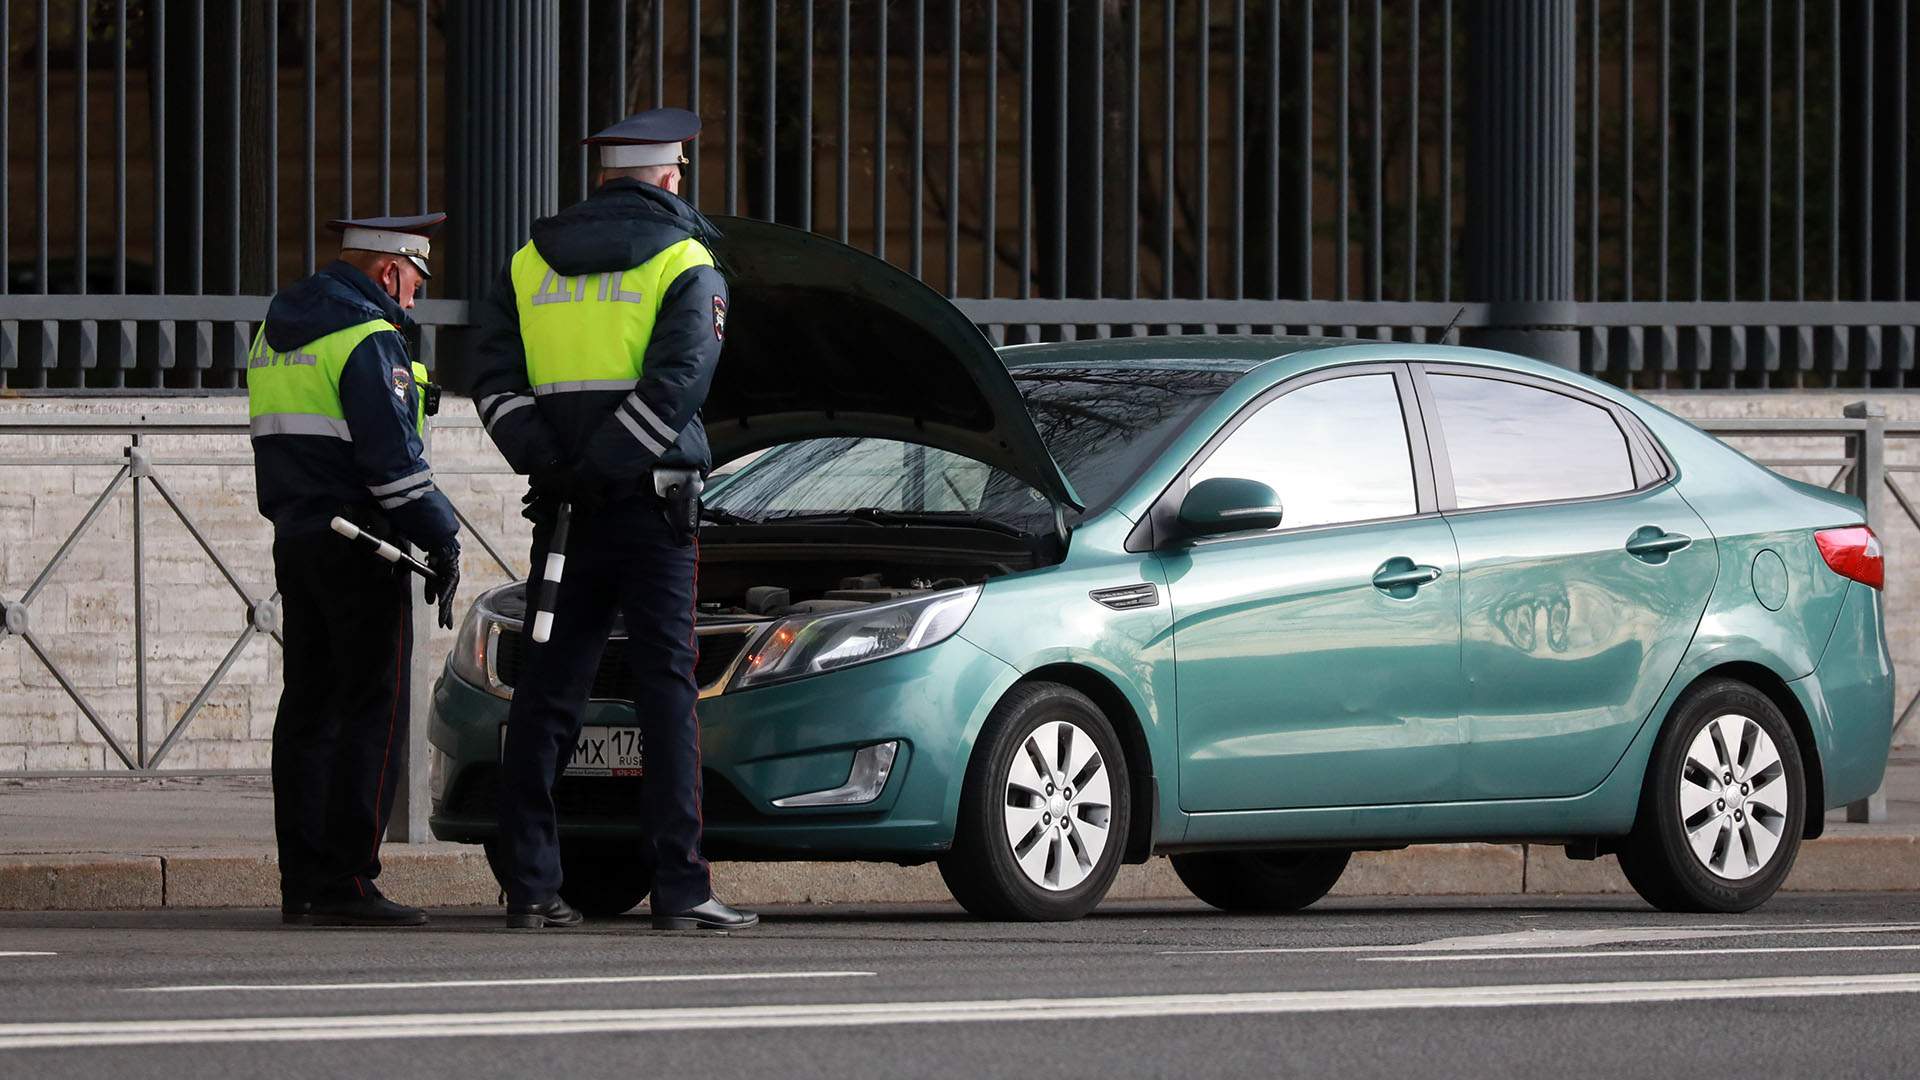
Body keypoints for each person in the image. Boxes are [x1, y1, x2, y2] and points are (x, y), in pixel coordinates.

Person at [470, 107, 755, 931]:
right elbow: (678, 384)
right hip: (652, 511)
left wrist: (555, 465)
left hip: (564, 512)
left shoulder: (527, 261)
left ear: (603, 177)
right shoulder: (685, 260)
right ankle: (681, 889)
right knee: (667, 690)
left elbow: (492, 377)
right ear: (670, 176)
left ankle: (530, 886)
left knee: (548, 690)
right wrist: (607, 467)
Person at [247, 214, 462, 927]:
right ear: (390, 271)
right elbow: (393, 467)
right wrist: (444, 535)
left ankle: (302, 882)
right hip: (364, 544)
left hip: (298, 537)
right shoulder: (369, 338)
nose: (415, 300)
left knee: (308, 711)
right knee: (373, 708)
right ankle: (348, 880)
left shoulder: (276, 334)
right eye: (414, 284)